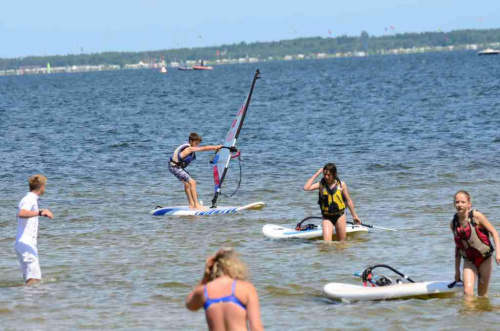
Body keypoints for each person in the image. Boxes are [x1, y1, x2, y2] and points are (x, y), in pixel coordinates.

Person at [185, 248, 263, 331]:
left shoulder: (205, 291)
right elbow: (256, 328)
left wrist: (205, 278)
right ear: (235, 266)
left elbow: (189, 305)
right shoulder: (246, 288)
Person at [450, 190, 500, 297]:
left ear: (469, 204)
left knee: (482, 295)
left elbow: (494, 232)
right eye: (457, 202)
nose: (460, 205)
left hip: (484, 258)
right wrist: (457, 271)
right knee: (468, 292)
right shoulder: (453, 223)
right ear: (454, 204)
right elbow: (458, 247)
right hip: (469, 261)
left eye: (463, 202)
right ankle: (469, 313)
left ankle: (481, 313)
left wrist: (498, 254)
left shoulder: (476, 216)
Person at [303, 163, 361, 242]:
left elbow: (348, 200)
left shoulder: (341, 185)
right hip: (327, 217)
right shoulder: (320, 185)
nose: (326, 177)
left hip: (340, 216)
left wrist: (354, 216)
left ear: (334, 174)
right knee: (327, 243)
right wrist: (317, 173)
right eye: (324, 174)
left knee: (342, 243)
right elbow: (306, 187)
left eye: (329, 175)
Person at [15, 174, 54, 285]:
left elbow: (21, 214)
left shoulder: (28, 199)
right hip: (26, 244)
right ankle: (31, 301)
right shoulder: (29, 200)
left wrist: (41, 210)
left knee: (32, 279)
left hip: (24, 244)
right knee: (34, 280)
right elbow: (21, 213)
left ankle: (28, 301)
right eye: (45, 186)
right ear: (42, 188)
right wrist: (41, 213)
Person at [169, 133, 222, 210]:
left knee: (187, 184)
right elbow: (204, 148)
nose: (197, 145)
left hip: (173, 166)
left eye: (198, 144)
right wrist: (215, 147)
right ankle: (197, 205)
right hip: (175, 167)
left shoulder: (188, 146)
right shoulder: (189, 148)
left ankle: (191, 205)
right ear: (191, 141)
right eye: (196, 143)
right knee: (192, 182)